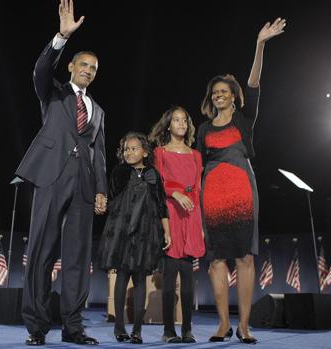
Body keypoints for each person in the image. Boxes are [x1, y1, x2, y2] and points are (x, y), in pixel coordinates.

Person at [15, 0, 108, 345]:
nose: (88, 69)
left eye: (94, 67)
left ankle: (73, 328)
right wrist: (60, 37)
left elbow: (98, 153)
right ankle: (37, 327)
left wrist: (101, 190)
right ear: (70, 66)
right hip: (51, 179)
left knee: (77, 259)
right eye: (83, 64)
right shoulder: (52, 92)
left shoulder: (98, 110)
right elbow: (40, 71)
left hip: (84, 187)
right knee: (41, 252)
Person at [195, 18, 286, 344]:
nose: (219, 95)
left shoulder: (246, 119)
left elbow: (254, 82)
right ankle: (223, 325)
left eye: (224, 91)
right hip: (213, 195)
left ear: (234, 96)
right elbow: (198, 168)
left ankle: (244, 326)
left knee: (245, 258)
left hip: (242, 191)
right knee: (217, 259)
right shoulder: (203, 130)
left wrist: (259, 44)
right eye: (215, 92)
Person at [97, 132, 171, 344]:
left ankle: (137, 329)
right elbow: (112, 198)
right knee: (122, 276)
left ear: (145, 152)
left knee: (140, 279)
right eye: (126, 149)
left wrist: (167, 231)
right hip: (121, 230)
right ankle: (119, 327)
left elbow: (161, 204)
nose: (129, 152)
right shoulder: (119, 171)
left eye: (134, 148)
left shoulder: (153, 174)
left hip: (145, 233)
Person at [149, 106, 206, 343]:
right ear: (168, 125)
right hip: (170, 214)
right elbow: (156, 184)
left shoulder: (196, 155)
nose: (181, 123)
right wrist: (175, 193)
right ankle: (169, 331)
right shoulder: (160, 153)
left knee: (188, 280)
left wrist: (200, 224)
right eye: (176, 120)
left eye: (184, 120)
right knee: (170, 277)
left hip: (191, 216)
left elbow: (198, 189)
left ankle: (188, 330)